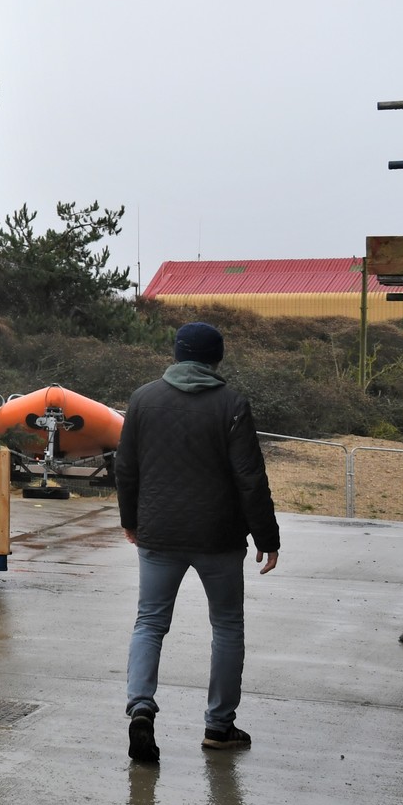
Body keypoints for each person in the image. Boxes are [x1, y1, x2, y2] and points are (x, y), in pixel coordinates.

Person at [116, 320, 280, 764]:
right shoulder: (231, 404)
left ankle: (141, 711)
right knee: (226, 627)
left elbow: (126, 469)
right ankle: (219, 726)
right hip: (218, 538)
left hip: (159, 534)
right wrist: (266, 536)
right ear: (216, 358)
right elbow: (250, 478)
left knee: (149, 623)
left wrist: (131, 521)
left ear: (176, 354)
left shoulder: (142, 400)